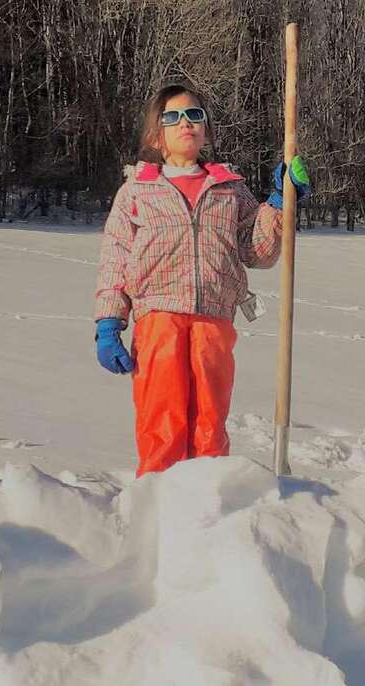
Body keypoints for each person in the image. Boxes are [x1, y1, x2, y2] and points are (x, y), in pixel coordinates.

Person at [94, 82, 310, 476]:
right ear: (156, 133)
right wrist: (109, 322)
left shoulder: (229, 189)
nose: (186, 124)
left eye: (195, 115)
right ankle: (159, 509)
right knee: (162, 425)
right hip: (159, 319)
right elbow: (116, 259)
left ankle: (209, 508)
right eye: (173, 117)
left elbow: (257, 252)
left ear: (206, 128)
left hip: (214, 319)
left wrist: (280, 203)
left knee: (210, 426)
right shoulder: (138, 192)